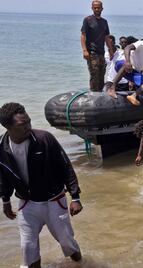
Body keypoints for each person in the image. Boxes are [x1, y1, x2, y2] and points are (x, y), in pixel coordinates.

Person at [0, 103, 82, 268]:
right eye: (23, 125)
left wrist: (75, 197)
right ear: (7, 126)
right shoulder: (1, 147)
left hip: (54, 201)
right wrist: (6, 200)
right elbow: (3, 175)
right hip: (27, 204)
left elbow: (65, 167)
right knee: (28, 248)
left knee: (68, 244)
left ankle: (82, 264)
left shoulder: (45, 139)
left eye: (29, 121)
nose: (28, 127)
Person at [107, 40, 143, 106]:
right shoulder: (141, 44)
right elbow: (127, 48)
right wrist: (128, 61)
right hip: (122, 64)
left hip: (133, 73)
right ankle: (112, 88)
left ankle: (133, 96)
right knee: (126, 66)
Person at [81, 0, 115, 92]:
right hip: (91, 52)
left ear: (102, 9)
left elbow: (107, 37)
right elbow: (83, 35)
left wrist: (110, 50)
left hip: (101, 52)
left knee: (102, 74)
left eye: (98, 7)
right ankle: (93, 93)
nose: (96, 9)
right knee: (94, 74)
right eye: (95, 7)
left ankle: (100, 94)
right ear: (92, 8)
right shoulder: (88, 20)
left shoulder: (104, 22)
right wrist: (84, 50)